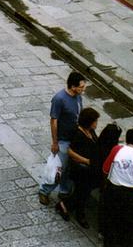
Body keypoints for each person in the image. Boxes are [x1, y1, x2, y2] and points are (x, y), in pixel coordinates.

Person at [38, 70, 87, 210]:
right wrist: (55, 142)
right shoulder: (59, 99)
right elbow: (54, 121)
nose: (83, 90)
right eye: (81, 87)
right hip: (63, 139)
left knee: (68, 167)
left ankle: (64, 191)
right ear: (73, 86)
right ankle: (44, 190)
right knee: (59, 168)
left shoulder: (78, 97)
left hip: (74, 138)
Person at [102, 128, 133, 247]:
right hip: (130, 196)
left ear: (126, 139)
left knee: (110, 222)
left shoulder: (117, 149)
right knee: (127, 225)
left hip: (113, 191)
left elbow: (105, 169)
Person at [67, 106, 100, 228]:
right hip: (79, 169)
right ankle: (77, 213)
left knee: (83, 191)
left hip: (88, 169)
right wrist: (86, 161)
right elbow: (70, 152)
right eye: (95, 121)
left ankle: (65, 205)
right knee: (82, 192)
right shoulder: (78, 134)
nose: (96, 124)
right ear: (89, 122)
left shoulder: (91, 131)